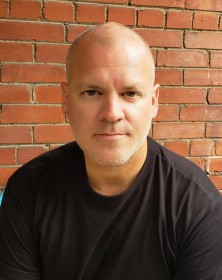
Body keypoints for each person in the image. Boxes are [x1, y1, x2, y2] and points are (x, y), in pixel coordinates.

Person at [0, 22, 222, 280]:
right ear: (66, 100)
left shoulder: (196, 206)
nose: (112, 113)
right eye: (92, 92)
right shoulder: (29, 190)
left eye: (130, 93)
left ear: (153, 102)